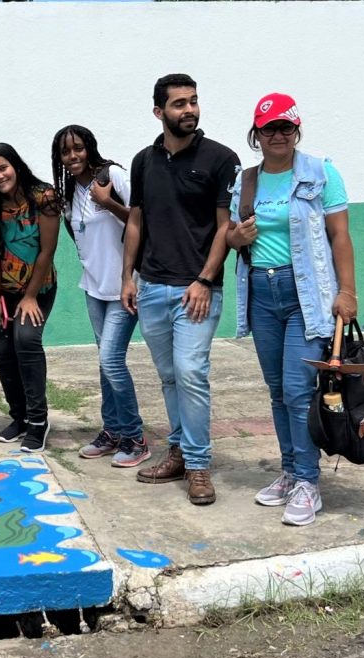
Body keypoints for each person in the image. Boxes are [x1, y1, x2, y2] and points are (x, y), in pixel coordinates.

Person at [228, 93, 357, 525]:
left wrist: (348, 292)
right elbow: (231, 236)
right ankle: (288, 471)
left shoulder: (321, 172)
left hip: (306, 293)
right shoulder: (246, 182)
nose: (278, 135)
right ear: (256, 135)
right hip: (262, 294)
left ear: (296, 130)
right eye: (269, 129)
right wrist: (236, 238)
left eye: (286, 127)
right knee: (278, 390)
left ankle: (308, 481)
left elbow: (339, 236)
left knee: (299, 389)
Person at [120, 74, 241, 505]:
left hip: (197, 290)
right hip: (151, 287)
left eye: (193, 101)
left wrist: (205, 279)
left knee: (190, 373)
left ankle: (198, 465)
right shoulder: (143, 160)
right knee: (169, 377)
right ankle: (178, 451)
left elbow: (224, 226)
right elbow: (136, 220)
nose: (189, 110)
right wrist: (127, 277)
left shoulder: (221, 159)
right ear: (159, 112)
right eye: (178, 104)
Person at [52, 125, 149, 468]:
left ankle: (135, 438)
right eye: (66, 152)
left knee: (111, 360)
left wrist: (108, 204)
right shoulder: (69, 191)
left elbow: (143, 220)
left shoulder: (114, 177)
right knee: (106, 364)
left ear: (89, 147)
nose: (73, 156)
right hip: (94, 288)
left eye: (78, 148)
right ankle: (112, 431)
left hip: (126, 286)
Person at [0, 143, 60, 453]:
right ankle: (20, 417)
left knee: (25, 340)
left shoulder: (44, 197)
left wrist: (29, 297)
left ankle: (39, 421)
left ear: (16, 165)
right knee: (1, 347)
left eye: (3, 168)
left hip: (37, 288)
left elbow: (47, 251)